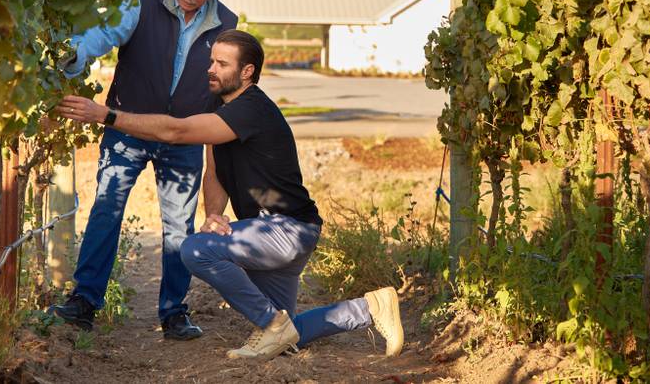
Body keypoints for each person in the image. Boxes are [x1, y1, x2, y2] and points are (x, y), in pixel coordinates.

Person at [57, 29, 405, 359]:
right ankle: (370, 307)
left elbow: (176, 132)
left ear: (247, 71)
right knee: (287, 335)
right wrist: (213, 214)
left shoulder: (251, 108)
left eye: (222, 64)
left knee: (192, 249)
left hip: (286, 230)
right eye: (211, 61)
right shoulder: (220, 109)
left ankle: (271, 323)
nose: (211, 69)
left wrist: (107, 115)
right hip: (271, 231)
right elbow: (215, 172)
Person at [50, 0, 238, 340]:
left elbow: (226, 82)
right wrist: (72, 54)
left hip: (184, 138)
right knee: (106, 211)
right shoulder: (142, 1)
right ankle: (84, 301)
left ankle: (174, 313)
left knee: (179, 227)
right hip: (126, 129)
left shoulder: (227, 22)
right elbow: (102, 35)